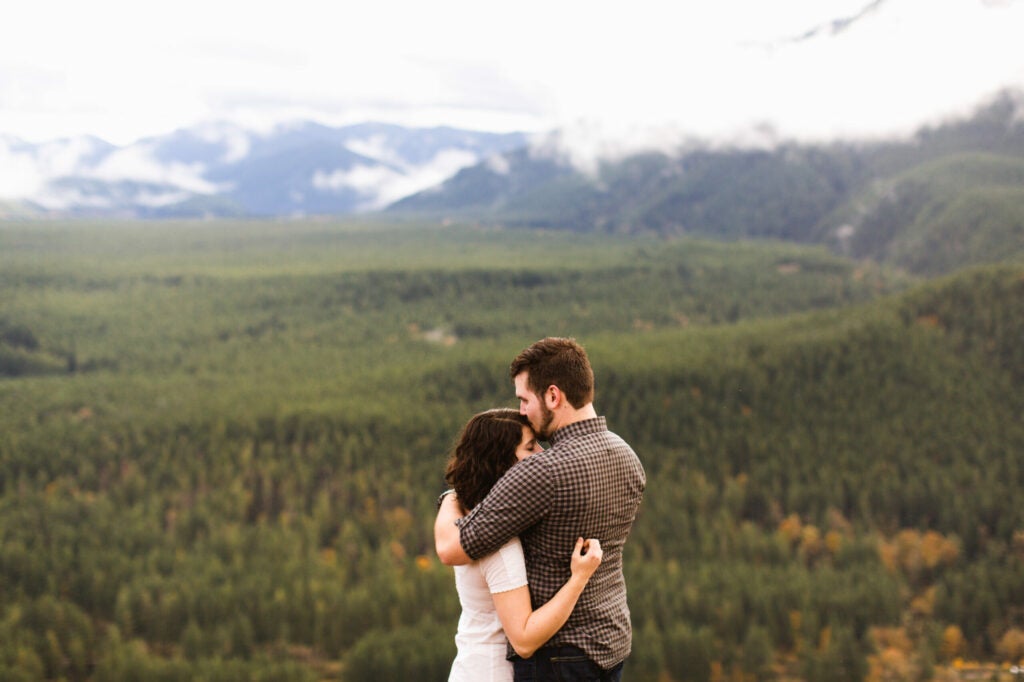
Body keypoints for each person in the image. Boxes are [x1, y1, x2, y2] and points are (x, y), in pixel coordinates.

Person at [436, 337, 646, 681]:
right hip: (611, 642)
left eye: (524, 399)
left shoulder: (541, 472)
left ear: (553, 395)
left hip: (555, 655)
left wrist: (450, 497)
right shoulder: (627, 456)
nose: (521, 411)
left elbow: (452, 547)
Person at [437, 408, 605, 682]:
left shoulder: (472, 518)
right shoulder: (499, 545)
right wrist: (579, 578)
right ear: (501, 464)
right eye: (530, 447)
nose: (542, 453)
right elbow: (525, 640)